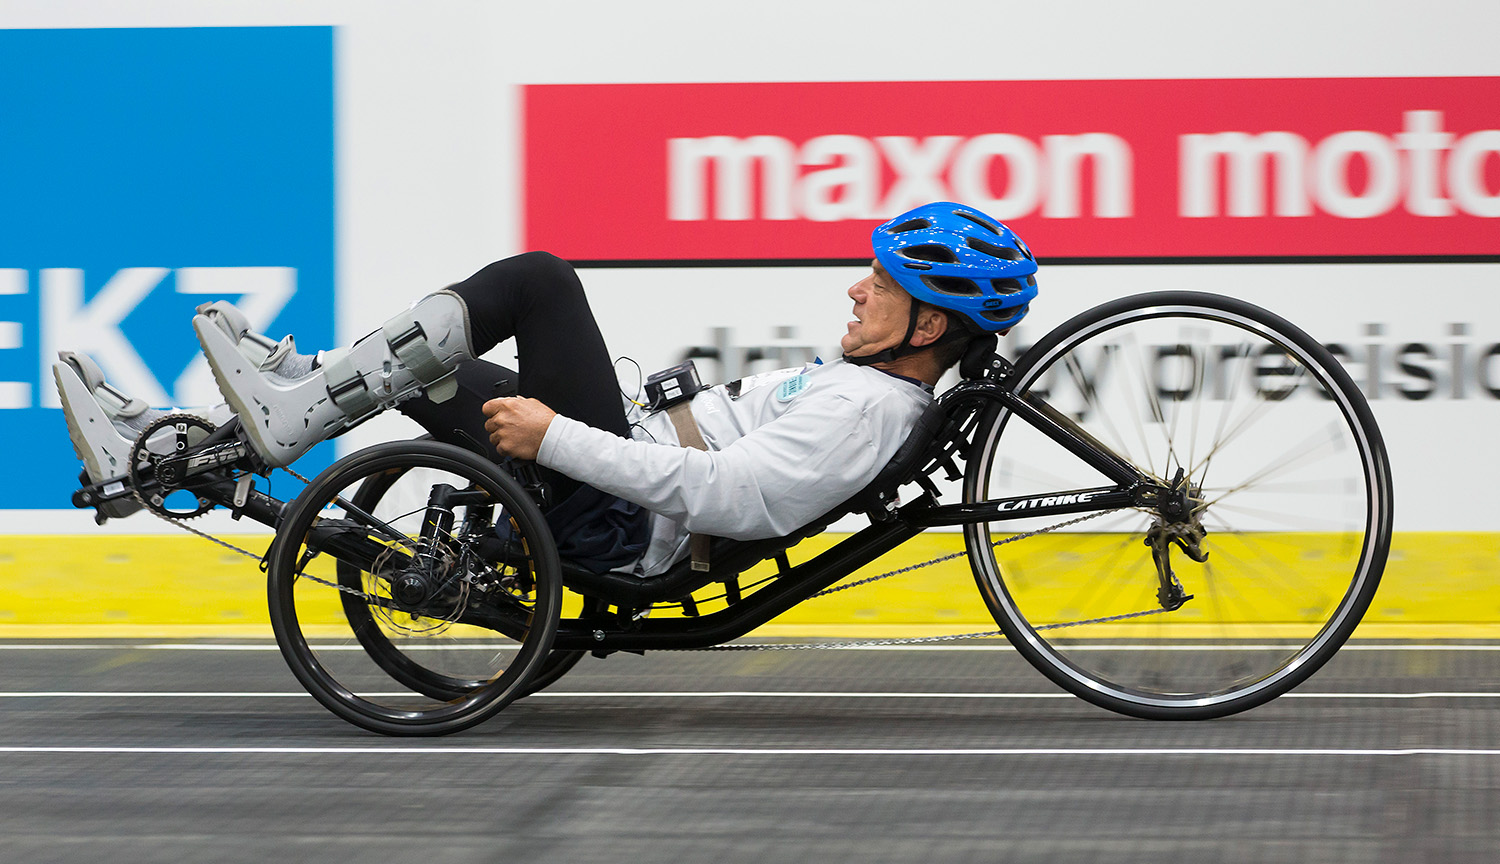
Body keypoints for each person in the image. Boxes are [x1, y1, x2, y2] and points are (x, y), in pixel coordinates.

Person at [55, 201, 1039, 576]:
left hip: (620, 517)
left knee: (539, 281)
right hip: (624, 480)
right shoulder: (870, 385)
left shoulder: (871, 409)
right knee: (392, 364)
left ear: (934, 324)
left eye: (886, 285)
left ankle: (255, 420)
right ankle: (163, 447)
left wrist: (550, 434)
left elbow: (727, 497)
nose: (857, 287)